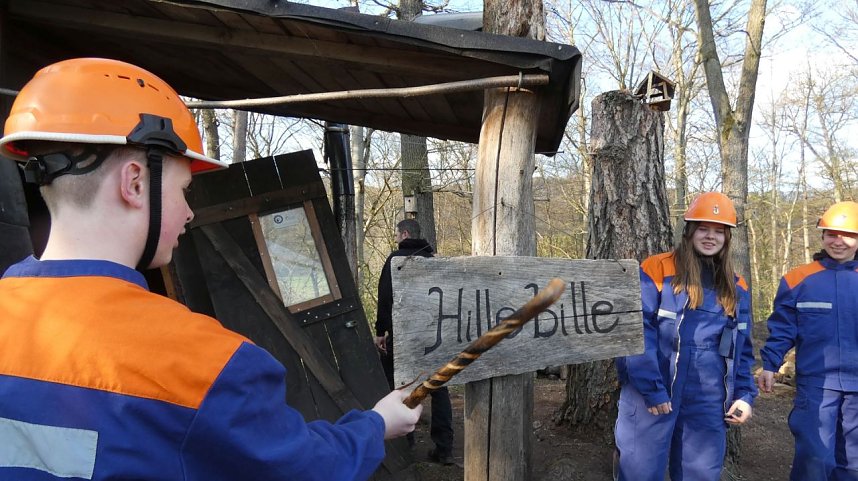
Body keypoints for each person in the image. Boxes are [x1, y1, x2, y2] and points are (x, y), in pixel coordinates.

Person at [0, 58, 421, 481]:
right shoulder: (206, 363)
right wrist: (375, 425)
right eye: (184, 190)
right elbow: (303, 468)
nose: (187, 212)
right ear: (134, 183)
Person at [613, 192, 757, 481]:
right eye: (703, 228)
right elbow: (635, 331)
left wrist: (744, 394)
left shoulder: (735, 284)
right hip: (656, 387)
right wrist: (651, 388)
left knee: (700, 473)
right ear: (689, 231)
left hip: (708, 394)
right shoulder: (657, 268)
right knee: (640, 470)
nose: (710, 237)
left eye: (718, 231)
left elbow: (741, 348)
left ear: (727, 238)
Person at [758, 200, 858, 481]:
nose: (838, 241)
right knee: (814, 459)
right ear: (822, 235)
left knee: (852, 465)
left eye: (848, 234)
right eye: (831, 234)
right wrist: (770, 364)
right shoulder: (798, 279)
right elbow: (782, 328)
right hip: (816, 386)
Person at [374, 219, 455, 465]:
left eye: (397, 234)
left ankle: (403, 444)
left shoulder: (395, 260)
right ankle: (444, 449)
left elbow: (385, 297)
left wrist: (381, 331)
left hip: (403, 334)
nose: (396, 239)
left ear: (405, 233)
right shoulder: (434, 262)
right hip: (434, 335)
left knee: (399, 387)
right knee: (439, 389)